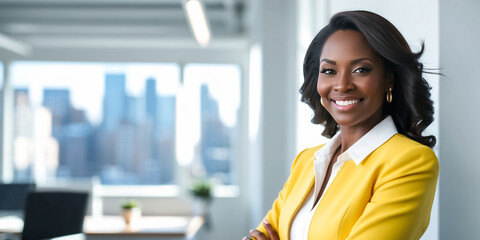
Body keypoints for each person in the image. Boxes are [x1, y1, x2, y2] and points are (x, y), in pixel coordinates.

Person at [243, 10, 439, 240]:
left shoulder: (409, 161)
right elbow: (261, 233)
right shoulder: (306, 161)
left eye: (360, 69)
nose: (342, 84)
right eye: (329, 71)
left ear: (389, 79)